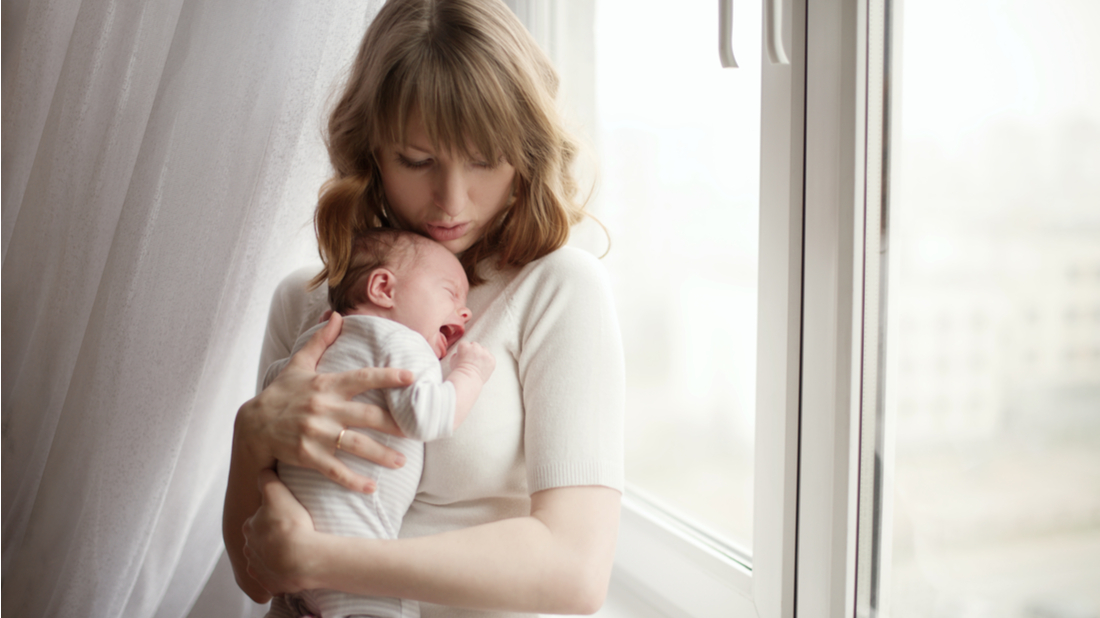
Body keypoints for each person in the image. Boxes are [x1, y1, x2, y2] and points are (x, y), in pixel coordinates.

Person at [222, 0, 625, 615]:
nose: (451, 200)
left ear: (524, 158)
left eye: (484, 160)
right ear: (372, 153)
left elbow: (574, 574)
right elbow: (257, 575)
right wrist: (250, 437)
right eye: (417, 160)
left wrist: (324, 562)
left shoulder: (559, 289)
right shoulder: (306, 304)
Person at [267, 229, 495, 618]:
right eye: (451, 293)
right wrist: (470, 372)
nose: (466, 311)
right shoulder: (402, 340)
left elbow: (270, 399)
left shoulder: (311, 342)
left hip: (289, 561)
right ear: (384, 288)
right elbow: (428, 416)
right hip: (352, 557)